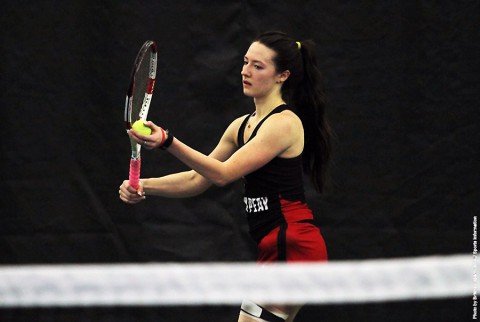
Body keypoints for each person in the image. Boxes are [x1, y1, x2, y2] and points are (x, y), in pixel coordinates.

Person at [119, 31, 333, 322]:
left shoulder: (285, 124)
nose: (245, 71)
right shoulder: (240, 127)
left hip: (292, 244)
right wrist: (144, 186)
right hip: (276, 245)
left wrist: (168, 141)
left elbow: (223, 174)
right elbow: (198, 179)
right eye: (246, 62)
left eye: (258, 66)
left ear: (282, 76)